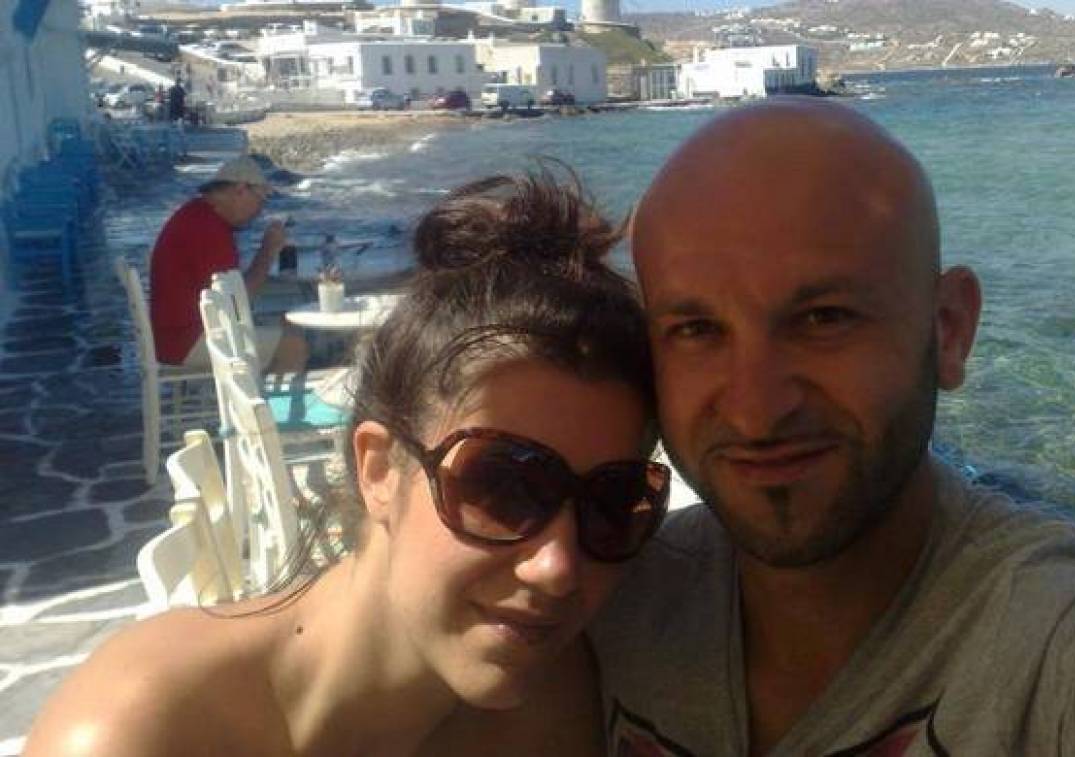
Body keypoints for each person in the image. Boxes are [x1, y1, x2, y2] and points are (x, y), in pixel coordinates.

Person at [587, 98, 1075, 756]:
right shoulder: (597, 600)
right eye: (696, 330)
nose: (755, 412)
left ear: (948, 329)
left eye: (824, 318)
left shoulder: (1074, 627)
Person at [25, 168, 671, 755]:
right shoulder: (146, 731)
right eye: (503, 485)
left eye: (612, 503)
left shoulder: (564, 699)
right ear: (380, 470)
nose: (558, 568)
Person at [149, 155, 308, 373]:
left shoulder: (198, 215)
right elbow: (237, 302)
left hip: (176, 335)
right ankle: (256, 395)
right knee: (293, 347)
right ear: (240, 191)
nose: (259, 210)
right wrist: (269, 250)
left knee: (284, 327)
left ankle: (258, 387)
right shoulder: (209, 230)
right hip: (186, 341)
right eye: (260, 200)